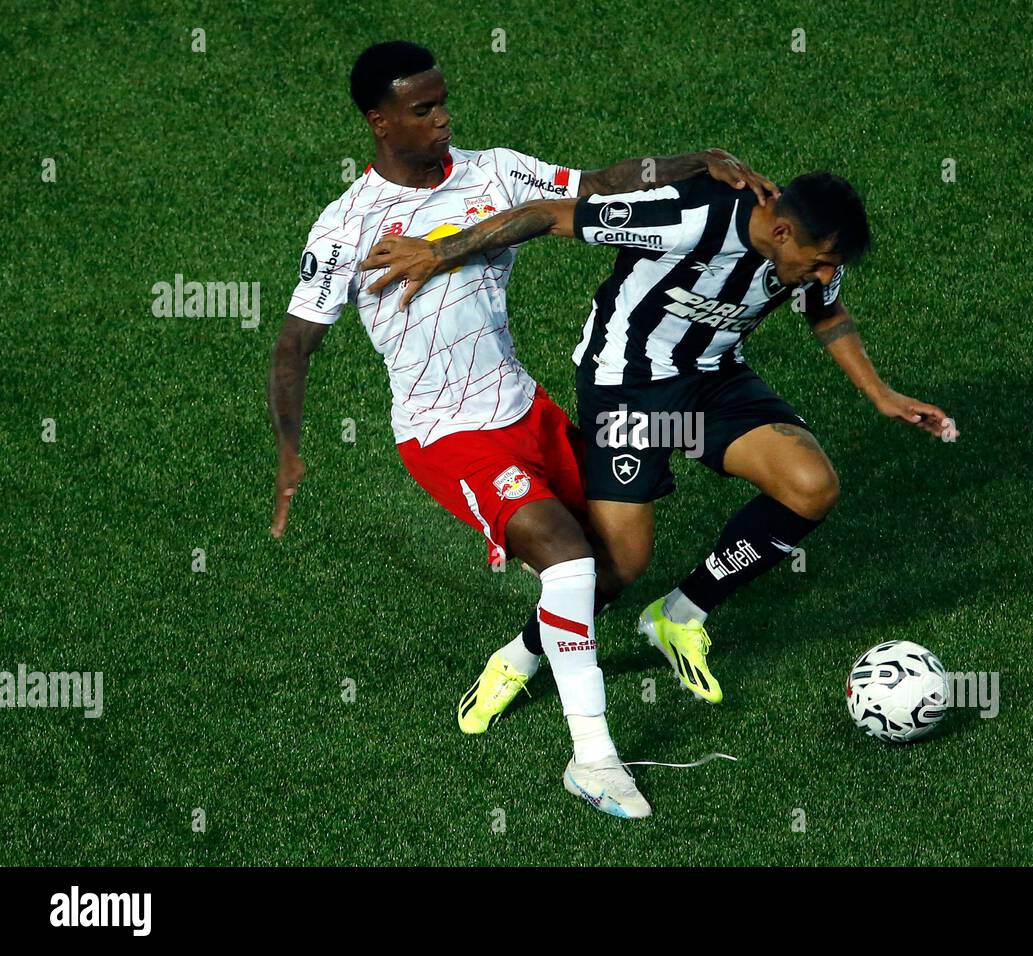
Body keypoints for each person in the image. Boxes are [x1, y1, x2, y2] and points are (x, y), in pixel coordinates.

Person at [267, 39, 777, 818]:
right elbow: (294, 346)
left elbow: (604, 184)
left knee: (619, 563)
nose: (442, 120)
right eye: (422, 110)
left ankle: (518, 655)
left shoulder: (495, 171)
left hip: (527, 410)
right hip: (447, 435)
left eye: (443, 103)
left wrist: (696, 160)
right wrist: (290, 452)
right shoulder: (344, 230)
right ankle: (594, 759)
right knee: (569, 563)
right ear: (378, 122)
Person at [359, 170, 958, 717]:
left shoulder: (810, 253)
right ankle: (520, 656)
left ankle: (680, 613)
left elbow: (825, 312)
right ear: (780, 230)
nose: (825, 274)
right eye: (821, 261)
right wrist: (439, 251)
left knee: (811, 486)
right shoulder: (689, 217)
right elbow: (547, 213)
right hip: (629, 389)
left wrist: (881, 394)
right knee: (618, 566)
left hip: (715, 381)